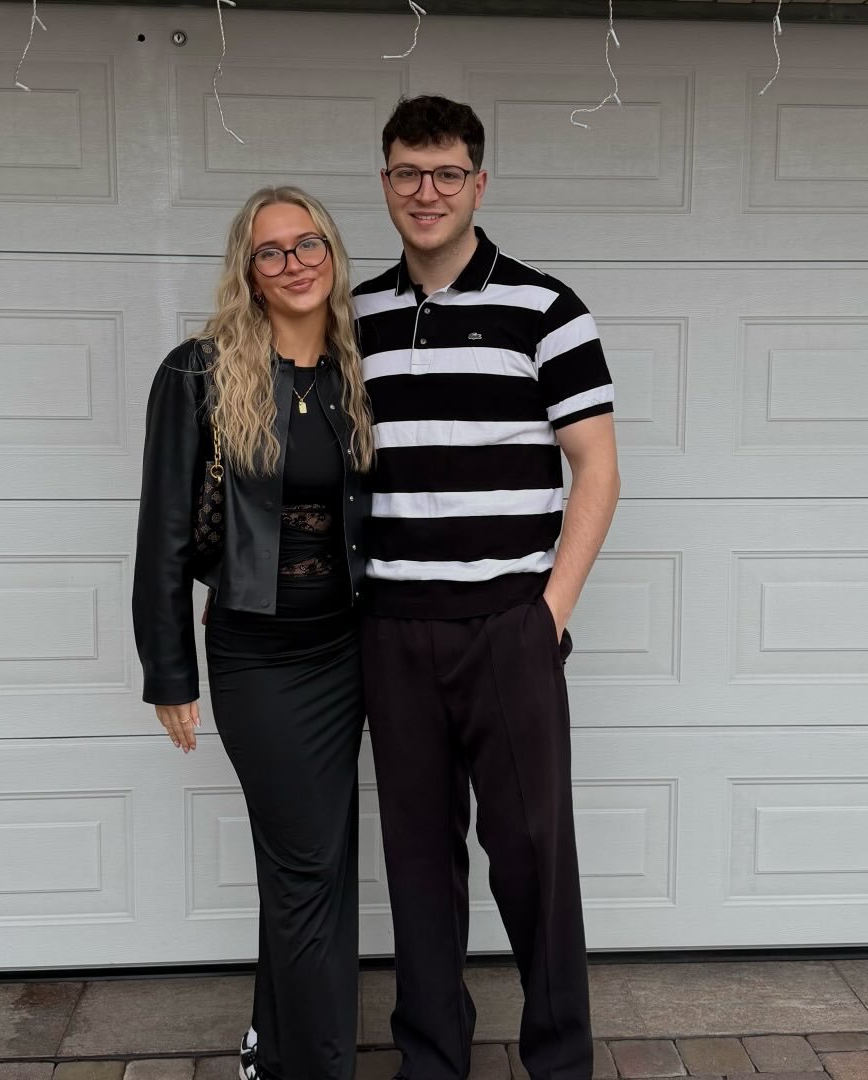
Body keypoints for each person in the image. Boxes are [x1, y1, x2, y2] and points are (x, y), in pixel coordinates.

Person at [353, 96, 621, 1080]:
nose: (426, 192)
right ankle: (432, 1061)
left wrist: (547, 615)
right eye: (407, 173)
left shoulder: (546, 309)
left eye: (447, 173)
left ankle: (560, 1062)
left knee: (535, 862)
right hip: (392, 628)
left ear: (479, 183)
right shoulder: (355, 318)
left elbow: (598, 470)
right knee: (419, 865)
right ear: (385, 181)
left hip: (508, 627)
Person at [132, 186, 373, 1080]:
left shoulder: (358, 370)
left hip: (349, 648)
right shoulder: (198, 373)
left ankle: (274, 1052)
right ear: (249, 270)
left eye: (308, 244)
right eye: (270, 251)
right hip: (258, 657)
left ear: (332, 254)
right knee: (309, 867)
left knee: (316, 865)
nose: (293, 263)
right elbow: (163, 528)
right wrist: (169, 670)